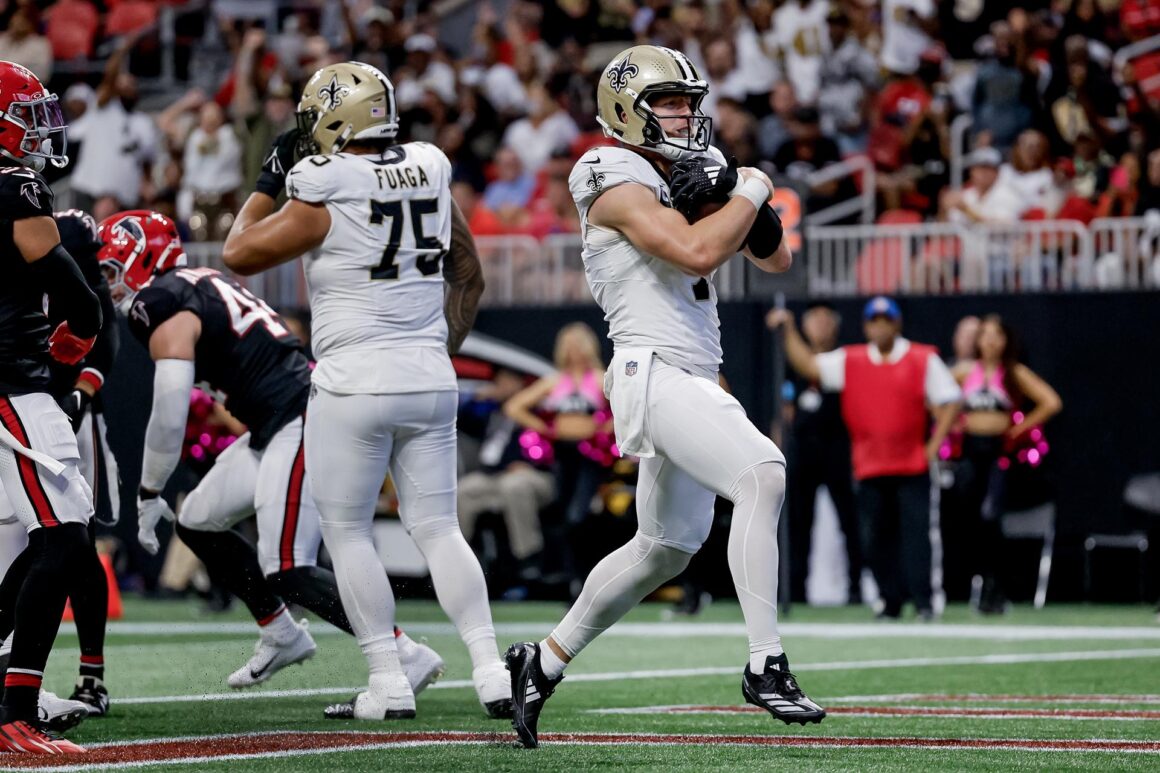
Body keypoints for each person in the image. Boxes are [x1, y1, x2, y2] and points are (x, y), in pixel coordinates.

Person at [504, 45, 821, 751]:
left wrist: (740, 191)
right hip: (652, 366)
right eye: (670, 101)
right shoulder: (606, 168)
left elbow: (777, 260)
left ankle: (543, 660)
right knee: (763, 474)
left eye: (689, 101)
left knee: (665, 548)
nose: (686, 114)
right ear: (627, 109)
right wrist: (748, 190)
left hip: (691, 371)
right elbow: (696, 253)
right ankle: (765, 663)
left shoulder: (680, 171)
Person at [222, 61, 508, 721]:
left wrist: (268, 178)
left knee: (348, 530)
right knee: (439, 527)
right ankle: (490, 668)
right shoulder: (433, 166)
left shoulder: (324, 183)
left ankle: (388, 678)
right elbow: (469, 271)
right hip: (430, 376)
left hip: (354, 379)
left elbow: (238, 252)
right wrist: (437, 349)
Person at [98, 210, 448, 702]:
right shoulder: (193, 284)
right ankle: (280, 630)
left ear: (143, 258)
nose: (109, 285)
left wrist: (149, 487)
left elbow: (172, 407)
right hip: (278, 420)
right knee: (197, 520)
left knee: (287, 564)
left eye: (112, 270)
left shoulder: (159, 300)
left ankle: (402, 654)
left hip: (301, 416)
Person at [0, 60, 103, 754]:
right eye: (25, 116)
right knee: (64, 538)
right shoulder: (11, 183)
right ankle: (16, 713)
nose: (37, 133)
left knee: (48, 540)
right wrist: (77, 340)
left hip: (13, 381)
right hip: (14, 380)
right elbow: (71, 290)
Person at [770, 296, 961, 621]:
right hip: (870, 464)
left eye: (887, 320)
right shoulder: (852, 360)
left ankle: (925, 601)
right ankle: (890, 599)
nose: (880, 326)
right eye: (874, 320)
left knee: (916, 536)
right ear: (866, 326)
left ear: (897, 324)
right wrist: (788, 330)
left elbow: (951, 400)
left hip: (911, 463)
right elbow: (809, 365)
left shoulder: (921, 358)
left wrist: (933, 445)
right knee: (873, 538)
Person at [0, 207, 120, 726]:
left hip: (44, 400)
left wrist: (80, 394)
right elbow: (91, 313)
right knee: (57, 537)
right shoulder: (20, 200)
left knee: (63, 537)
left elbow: (101, 323)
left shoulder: (57, 232)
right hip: (21, 397)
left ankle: (45, 689)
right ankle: (18, 704)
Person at [951, 314, 1062, 613]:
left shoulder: (1013, 373)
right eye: (984, 334)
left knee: (991, 516)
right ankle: (981, 583)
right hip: (971, 454)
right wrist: (954, 424)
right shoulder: (964, 372)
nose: (988, 340)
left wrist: (1018, 428)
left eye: (995, 334)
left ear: (1005, 341)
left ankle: (996, 586)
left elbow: (1051, 401)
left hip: (998, 453)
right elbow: (937, 399)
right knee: (973, 522)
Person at [766, 303, 860, 605]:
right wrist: (777, 448)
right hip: (803, 448)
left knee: (851, 520)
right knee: (797, 523)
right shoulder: (790, 365)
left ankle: (856, 587)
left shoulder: (843, 358)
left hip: (837, 446)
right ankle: (795, 590)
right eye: (814, 320)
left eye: (825, 320)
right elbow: (784, 408)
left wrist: (788, 329)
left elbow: (812, 365)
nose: (820, 327)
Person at [504, 323, 611, 586]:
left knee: (579, 514)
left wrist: (606, 428)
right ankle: (572, 576)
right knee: (564, 513)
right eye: (569, 346)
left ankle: (586, 576)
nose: (574, 351)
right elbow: (514, 406)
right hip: (562, 455)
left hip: (591, 455)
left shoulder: (601, 378)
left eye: (578, 345)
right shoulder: (554, 381)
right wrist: (544, 427)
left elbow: (628, 407)